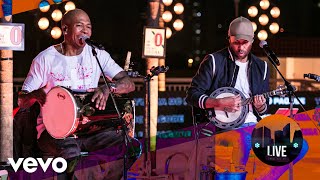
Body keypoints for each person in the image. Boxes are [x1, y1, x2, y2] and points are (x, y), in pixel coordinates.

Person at [18, 9, 138, 179]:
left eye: (88, 27)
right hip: (55, 133)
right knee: (71, 153)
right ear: (65, 30)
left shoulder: (98, 55)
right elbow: (22, 100)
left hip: (91, 130)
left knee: (131, 146)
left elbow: (128, 83)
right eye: (79, 26)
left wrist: (107, 88)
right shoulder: (45, 59)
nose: (85, 31)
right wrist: (34, 95)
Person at [186, 16, 308, 179]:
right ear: (229, 38)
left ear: (252, 41)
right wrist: (218, 102)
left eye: (245, 43)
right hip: (222, 127)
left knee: (299, 146)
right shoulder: (215, 61)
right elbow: (192, 94)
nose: (240, 47)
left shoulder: (262, 66)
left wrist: (261, 106)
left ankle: (265, 177)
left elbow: (265, 106)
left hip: (256, 124)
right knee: (242, 140)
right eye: (236, 42)